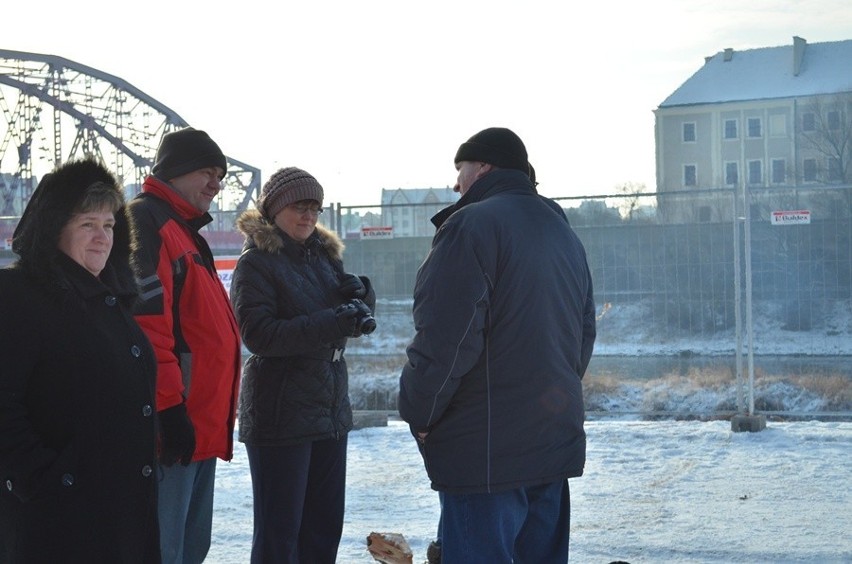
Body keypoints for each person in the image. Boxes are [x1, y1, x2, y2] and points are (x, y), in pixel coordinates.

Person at [398, 127, 596, 563]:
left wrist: (420, 413)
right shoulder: (561, 230)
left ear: (484, 167)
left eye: (460, 169)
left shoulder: (470, 225)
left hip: (485, 457)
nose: (455, 183)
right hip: (550, 445)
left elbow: (446, 340)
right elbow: (582, 334)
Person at [0, 158, 160, 562]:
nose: (102, 237)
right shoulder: (17, 294)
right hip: (59, 522)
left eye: (109, 225)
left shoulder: (110, 299)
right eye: (87, 224)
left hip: (119, 513)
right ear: (54, 229)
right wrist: (46, 480)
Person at [229, 167, 376, 563]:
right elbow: (259, 335)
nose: (308, 216)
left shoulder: (322, 259)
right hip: (281, 413)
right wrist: (331, 321)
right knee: (281, 535)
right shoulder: (256, 264)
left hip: (329, 408)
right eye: (299, 206)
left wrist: (363, 298)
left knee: (324, 528)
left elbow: (344, 322)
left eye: (314, 208)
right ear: (276, 209)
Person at [127, 128, 242, 563]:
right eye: (207, 172)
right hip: (171, 429)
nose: (216, 184)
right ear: (175, 171)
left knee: (190, 550)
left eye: (221, 175)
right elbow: (148, 330)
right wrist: (170, 410)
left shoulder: (185, 230)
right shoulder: (148, 223)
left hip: (199, 426)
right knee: (163, 551)